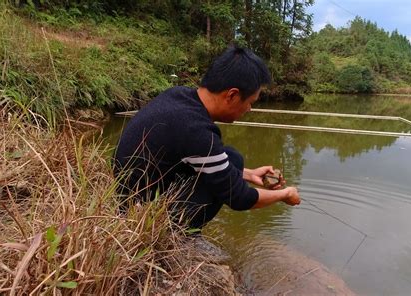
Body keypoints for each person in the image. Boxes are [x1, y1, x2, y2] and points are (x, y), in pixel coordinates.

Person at [114, 46, 301, 230]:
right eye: (250, 103)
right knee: (227, 173)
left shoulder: (178, 95)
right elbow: (240, 198)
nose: (249, 110)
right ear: (232, 95)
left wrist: (250, 174)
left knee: (232, 158)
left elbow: (194, 158)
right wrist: (285, 194)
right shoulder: (196, 130)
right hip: (135, 215)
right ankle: (179, 233)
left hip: (126, 193)